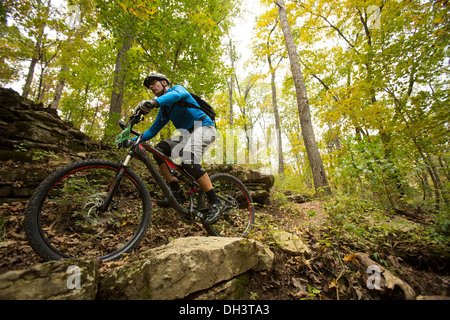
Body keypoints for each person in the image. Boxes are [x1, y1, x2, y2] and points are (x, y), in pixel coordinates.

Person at [134, 73, 222, 224]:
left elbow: (175, 96)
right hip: (188, 134)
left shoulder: (178, 90)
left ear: (164, 82)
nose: (151, 87)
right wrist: (133, 140)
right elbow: (152, 131)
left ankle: (215, 202)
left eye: (154, 83)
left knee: (188, 158)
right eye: (150, 86)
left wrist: (153, 103)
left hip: (204, 127)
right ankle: (176, 190)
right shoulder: (165, 110)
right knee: (158, 150)